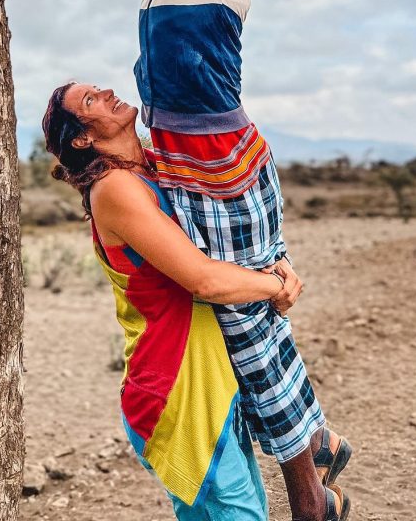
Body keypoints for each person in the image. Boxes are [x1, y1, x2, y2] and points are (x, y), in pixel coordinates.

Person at [96, 0, 352, 508]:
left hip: (223, 166)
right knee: (223, 323)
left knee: (247, 318)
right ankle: (317, 446)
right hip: (177, 157)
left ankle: (308, 482)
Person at [42, 81, 349, 521]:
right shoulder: (115, 188)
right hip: (175, 387)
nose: (107, 90)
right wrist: (274, 286)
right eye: (90, 100)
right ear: (82, 138)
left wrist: (277, 263)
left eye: (97, 88)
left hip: (212, 378)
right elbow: (203, 281)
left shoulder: (154, 166)